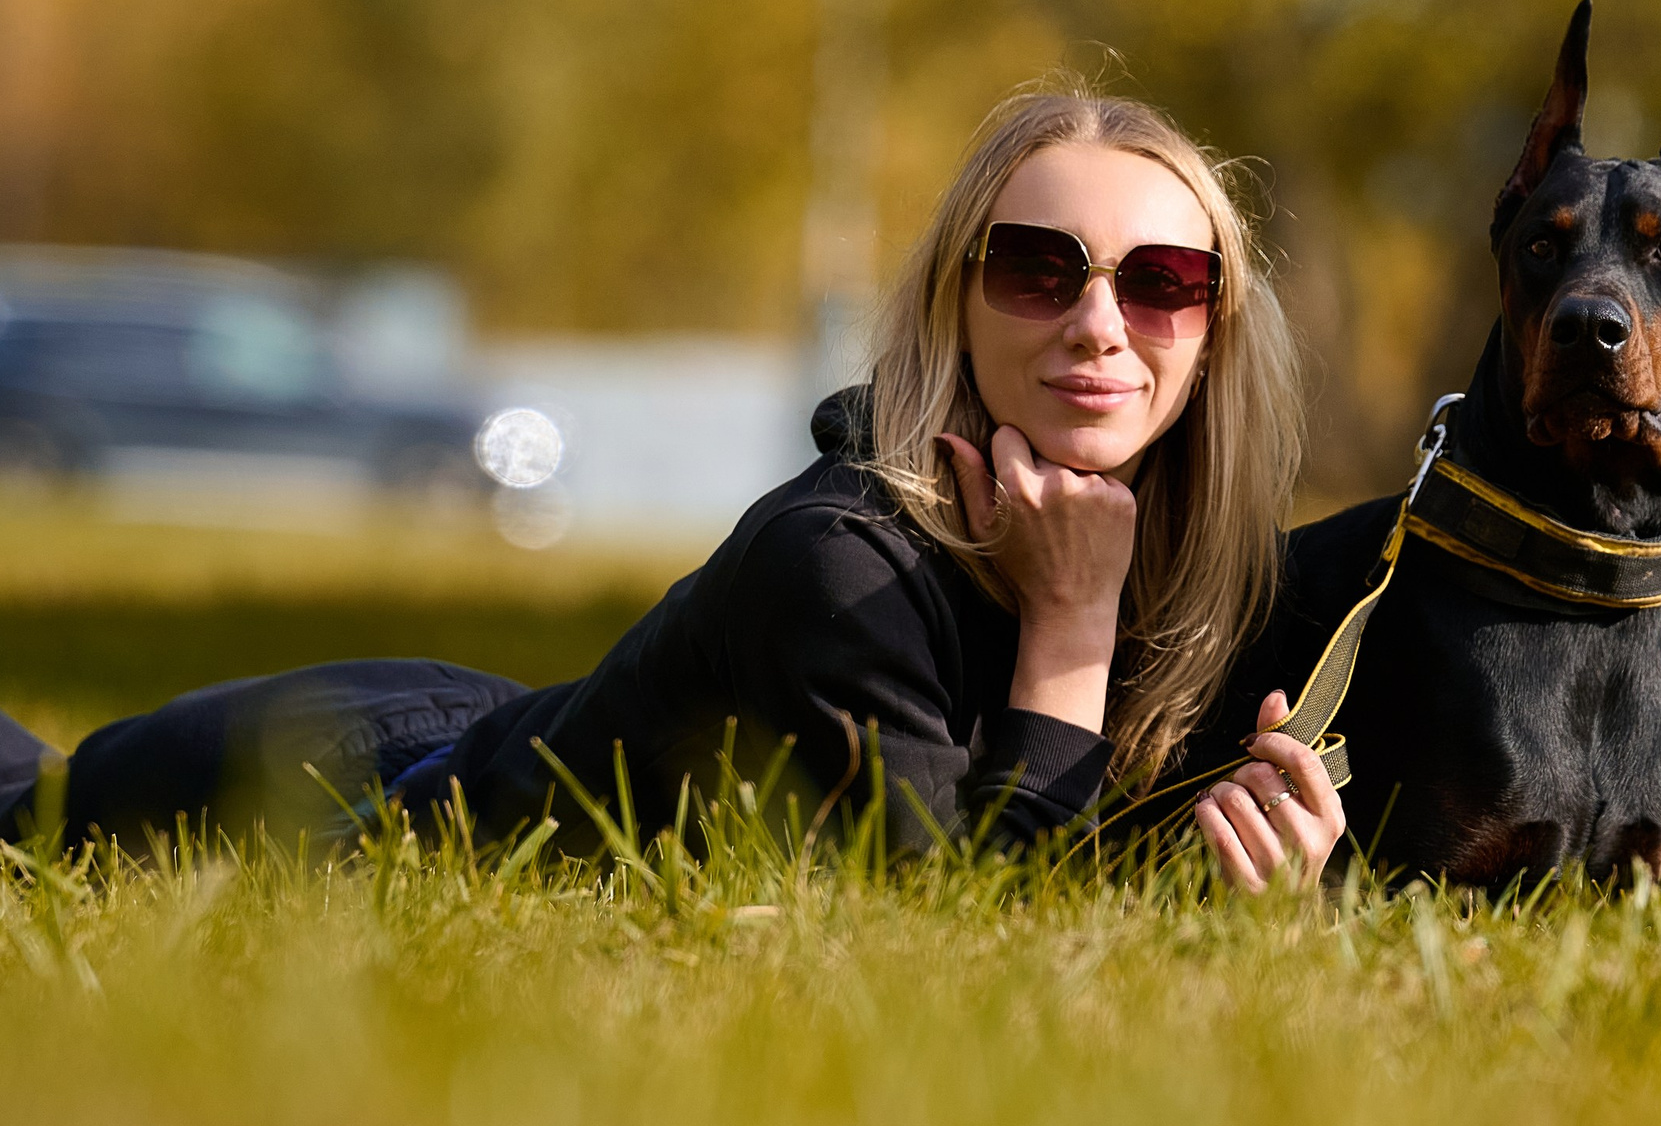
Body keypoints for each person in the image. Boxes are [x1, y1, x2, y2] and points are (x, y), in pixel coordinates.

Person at [0, 90, 1345, 894]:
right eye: (1040, 270)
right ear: (956, 305)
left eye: (1164, 281)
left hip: (501, 717)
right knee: (26, 822)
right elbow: (971, 948)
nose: (1101, 323)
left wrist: (1263, 896)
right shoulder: (841, 564)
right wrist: (1064, 638)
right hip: (356, 790)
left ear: (1219, 329)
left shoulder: (1204, 585)